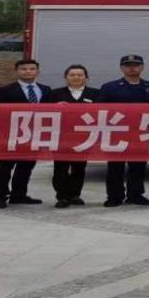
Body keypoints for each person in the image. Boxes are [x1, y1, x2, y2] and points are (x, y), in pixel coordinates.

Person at [0, 59, 52, 209]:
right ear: (17, 71)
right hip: (10, 135)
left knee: (26, 166)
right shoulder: (4, 90)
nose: (28, 71)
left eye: (32, 69)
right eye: (24, 69)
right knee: (5, 167)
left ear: (37, 71)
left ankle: (19, 195)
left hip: (35, 135)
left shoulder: (46, 90)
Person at [97, 55, 149, 207]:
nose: (132, 68)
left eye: (136, 65)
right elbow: (99, 110)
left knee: (138, 166)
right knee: (115, 167)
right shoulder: (110, 87)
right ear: (121, 68)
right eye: (128, 65)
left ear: (142, 67)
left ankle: (135, 195)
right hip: (117, 132)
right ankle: (114, 196)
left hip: (141, 132)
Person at [46, 64, 97, 209]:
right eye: (72, 75)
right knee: (60, 168)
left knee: (79, 168)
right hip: (61, 136)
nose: (76, 78)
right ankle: (62, 196)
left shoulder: (95, 93)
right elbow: (43, 112)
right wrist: (55, 107)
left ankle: (75, 195)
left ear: (86, 77)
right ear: (65, 77)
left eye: (80, 75)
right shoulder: (54, 94)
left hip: (84, 137)